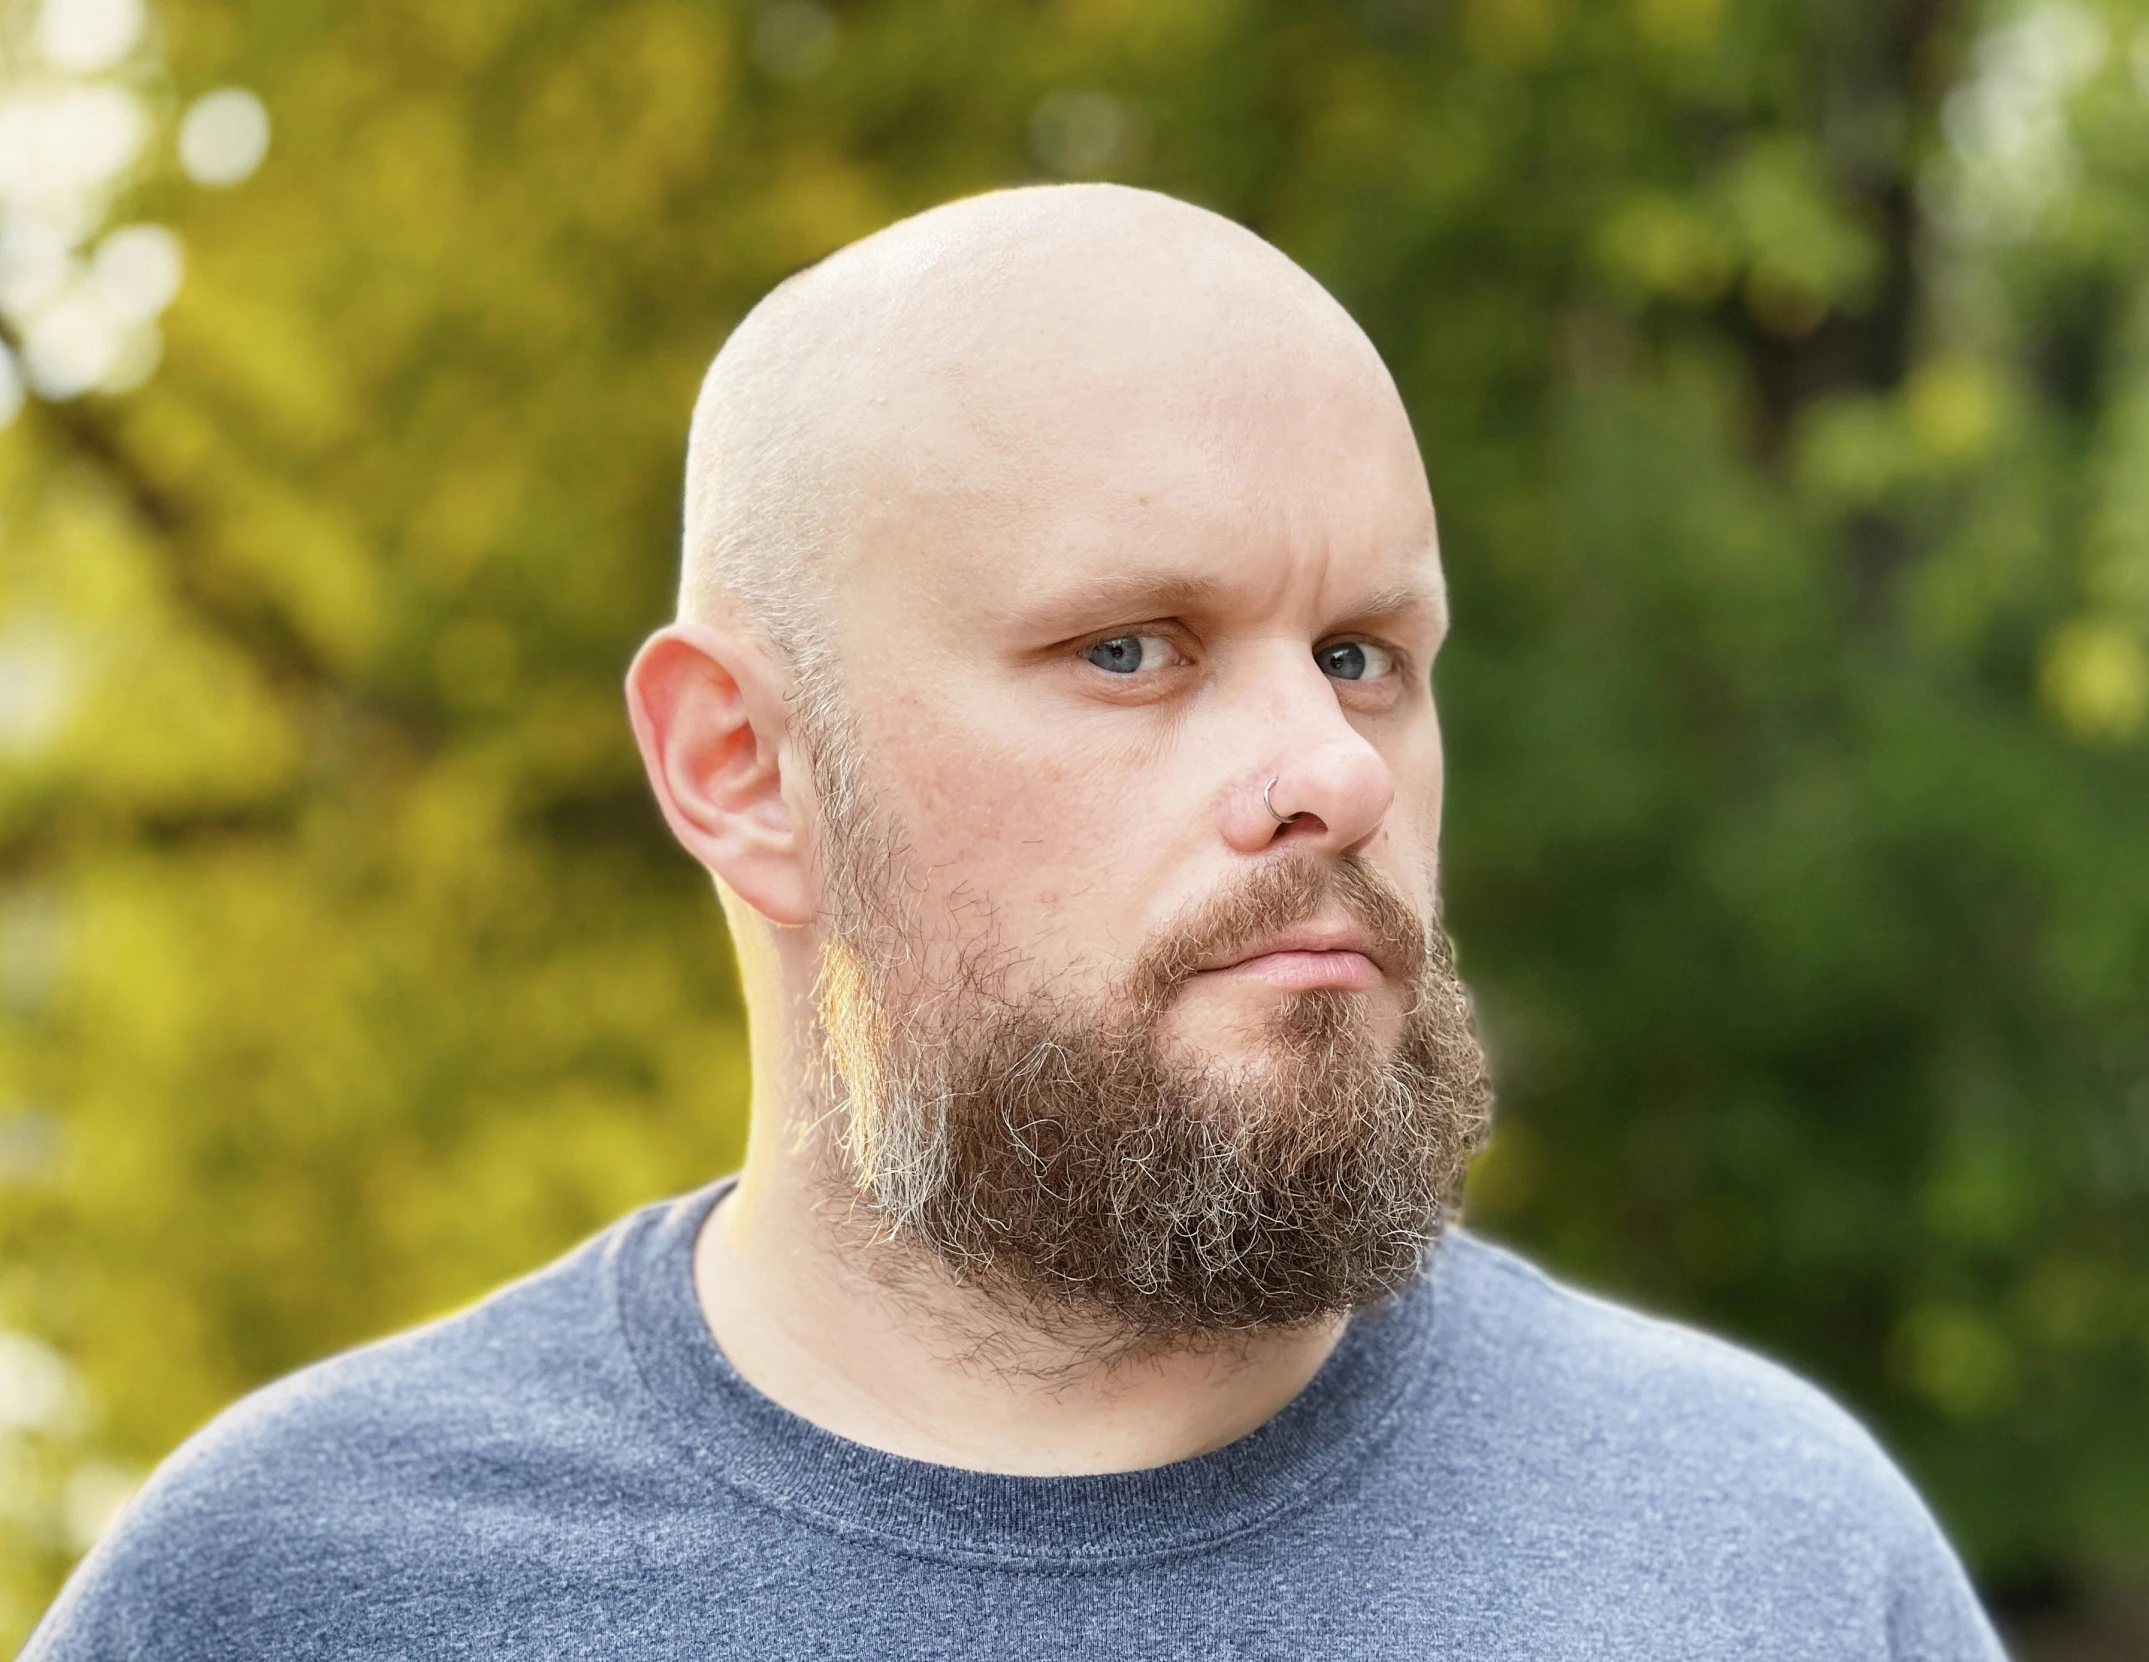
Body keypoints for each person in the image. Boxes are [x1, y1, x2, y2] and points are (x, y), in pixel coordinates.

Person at [25, 184, 2005, 1660]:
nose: (1333, 768)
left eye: (1364, 653)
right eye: (1132, 647)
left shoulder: (1772, 1564)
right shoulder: (299, 1594)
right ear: (737, 763)